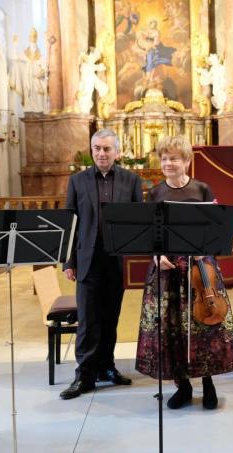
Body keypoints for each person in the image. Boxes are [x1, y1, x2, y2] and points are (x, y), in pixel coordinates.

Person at [135, 135, 233, 409]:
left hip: (198, 271)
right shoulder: (156, 193)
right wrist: (157, 255)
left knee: (205, 327)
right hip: (168, 272)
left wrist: (204, 251)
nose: (168, 163)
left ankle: (207, 383)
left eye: (174, 158)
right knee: (171, 329)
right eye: (164, 158)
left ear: (186, 161)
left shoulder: (202, 189)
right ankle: (182, 386)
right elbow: (149, 234)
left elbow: (216, 230)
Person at [60, 129, 143, 400]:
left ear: (116, 152)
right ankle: (84, 376)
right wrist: (69, 261)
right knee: (87, 320)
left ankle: (107, 367)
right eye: (97, 148)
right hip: (87, 259)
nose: (101, 153)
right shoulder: (77, 181)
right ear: (91, 150)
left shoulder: (131, 180)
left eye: (107, 149)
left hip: (116, 261)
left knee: (110, 319)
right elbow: (70, 223)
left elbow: (138, 221)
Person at [21, 27, 48, 113]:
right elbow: (21, 62)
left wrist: (42, 73)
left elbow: (44, 68)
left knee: (38, 92)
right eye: (31, 35)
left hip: (37, 79)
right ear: (29, 37)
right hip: (28, 77)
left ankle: (39, 108)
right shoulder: (25, 53)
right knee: (28, 90)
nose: (32, 37)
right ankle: (30, 106)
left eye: (34, 35)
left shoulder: (40, 55)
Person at [76, 47, 109, 114]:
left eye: (95, 59)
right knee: (85, 95)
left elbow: (99, 67)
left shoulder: (89, 66)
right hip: (85, 81)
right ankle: (84, 109)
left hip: (89, 81)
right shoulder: (85, 65)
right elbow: (98, 67)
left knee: (87, 95)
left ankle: (85, 110)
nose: (93, 60)